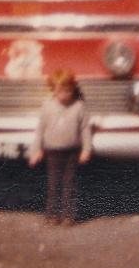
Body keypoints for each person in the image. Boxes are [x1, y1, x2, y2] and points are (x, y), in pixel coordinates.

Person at [29, 68, 93, 225]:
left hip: (72, 151)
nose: (65, 95)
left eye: (68, 91)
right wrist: (35, 150)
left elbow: (85, 129)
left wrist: (86, 149)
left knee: (69, 184)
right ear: (54, 90)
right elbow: (40, 130)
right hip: (52, 151)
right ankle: (52, 215)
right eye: (61, 91)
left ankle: (68, 216)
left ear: (73, 89)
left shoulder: (79, 106)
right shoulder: (47, 106)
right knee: (53, 183)